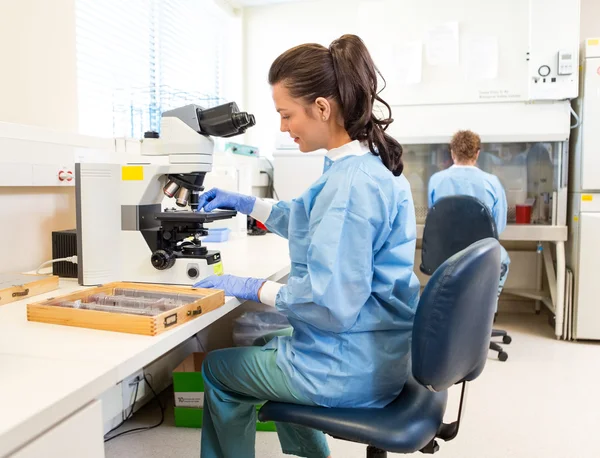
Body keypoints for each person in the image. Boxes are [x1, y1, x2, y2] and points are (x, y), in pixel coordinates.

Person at [193, 34, 420, 458]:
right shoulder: (365, 167)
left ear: (321, 108)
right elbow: (304, 217)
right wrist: (244, 202)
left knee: (218, 369)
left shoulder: (350, 186)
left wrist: (248, 287)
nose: (282, 127)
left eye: (286, 114)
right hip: (380, 351)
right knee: (265, 345)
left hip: (347, 366)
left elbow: (331, 304)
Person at [428, 130, 510, 295]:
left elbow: (434, 219)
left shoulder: (436, 180)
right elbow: (498, 228)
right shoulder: (491, 183)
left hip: (444, 255)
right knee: (503, 259)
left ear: (452, 152)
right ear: (477, 154)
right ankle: (489, 306)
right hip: (480, 256)